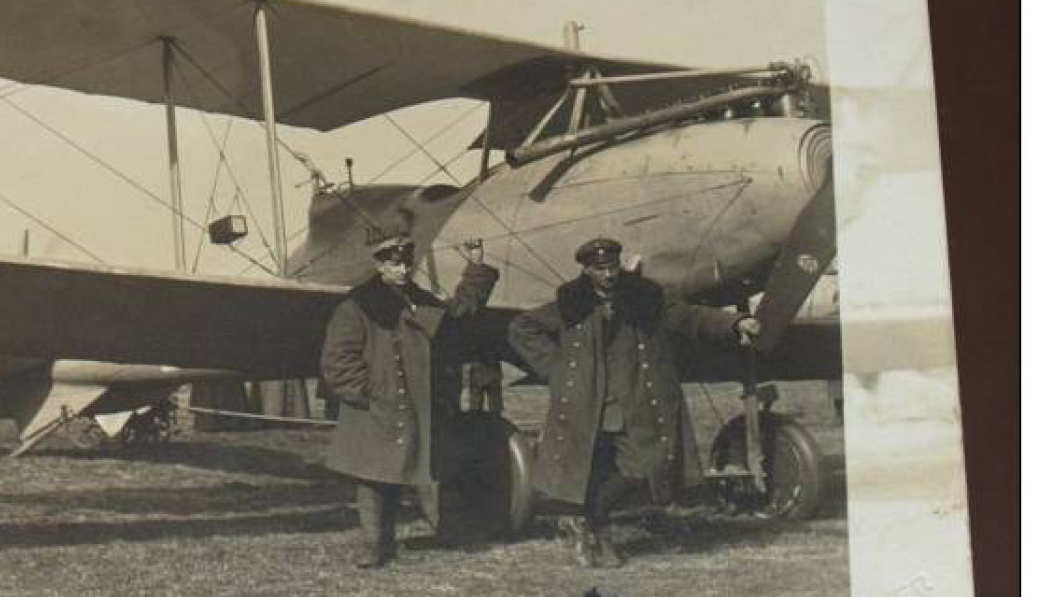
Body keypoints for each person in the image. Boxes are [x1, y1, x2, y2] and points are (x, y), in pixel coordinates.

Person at [508, 237, 760, 568]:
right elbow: (521, 328)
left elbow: (688, 316)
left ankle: (591, 519)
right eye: (600, 269)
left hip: (635, 402)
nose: (609, 275)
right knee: (588, 471)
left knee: (647, 467)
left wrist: (733, 323)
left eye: (612, 267)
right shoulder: (571, 303)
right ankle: (591, 536)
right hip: (589, 405)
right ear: (586, 271)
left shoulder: (644, 297)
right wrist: (556, 370)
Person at [320, 232, 498, 569]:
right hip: (375, 406)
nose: (401, 269)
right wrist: (370, 393)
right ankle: (373, 545)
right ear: (379, 263)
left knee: (420, 467)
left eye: (405, 263)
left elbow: (458, 316)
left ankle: (445, 528)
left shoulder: (422, 301)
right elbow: (336, 361)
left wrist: (475, 269)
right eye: (392, 263)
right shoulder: (356, 306)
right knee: (373, 475)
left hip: (415, 406)